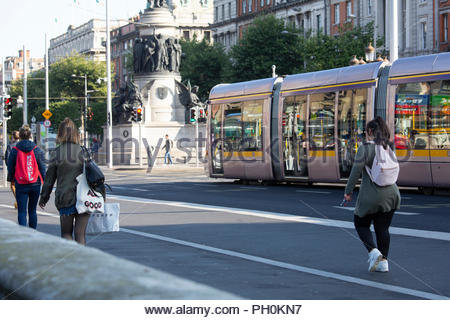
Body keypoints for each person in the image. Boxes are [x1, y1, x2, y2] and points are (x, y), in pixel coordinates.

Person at [344, 116, 401, 273]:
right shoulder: (389, 146)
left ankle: (374, 252)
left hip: (371, 195)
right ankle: (384, 263)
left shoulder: (365, 148)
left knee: (361, 223)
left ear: (369, 131)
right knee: (382, 229)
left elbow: (356, 171)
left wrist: (348, 192)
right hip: (392, 194)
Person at [39, 118, 103, 245]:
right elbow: (94, 174)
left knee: (66, 233)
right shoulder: (83, 151)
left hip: (65, 197)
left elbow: (49, 179)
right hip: (85, 198)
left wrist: (44, 198)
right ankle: (80, 261)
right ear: (75, 133)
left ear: (60, 133)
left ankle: (70, 259)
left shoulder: (57, 153)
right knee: (80, 234)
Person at [7, 125, 46, 229]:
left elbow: (10, 167)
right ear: (30, 135)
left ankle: (23, 234)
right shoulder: (37, 149)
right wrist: (45, 182)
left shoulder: (15, 150)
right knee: (32, 210)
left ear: (20, 136)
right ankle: (33, 233)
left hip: (20, 183)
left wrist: (11, 179)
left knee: (22, 211)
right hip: (35, 183)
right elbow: (42, 168)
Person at [5, 130, 20, 209]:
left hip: (14, 169)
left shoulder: (10, 146)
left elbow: (7, 158)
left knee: (13, 185)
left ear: (13, 137)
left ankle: (18, 199)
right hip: (22, 169)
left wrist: (9, 167)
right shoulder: (22, 145)